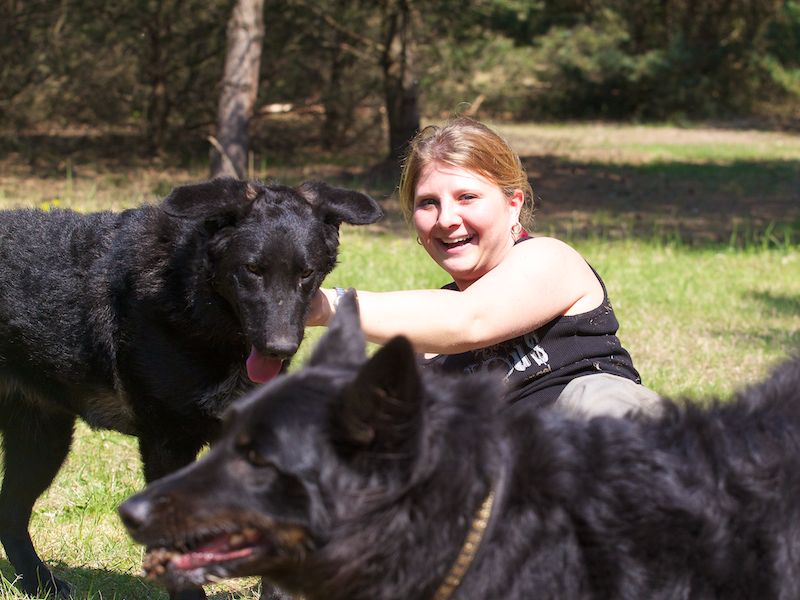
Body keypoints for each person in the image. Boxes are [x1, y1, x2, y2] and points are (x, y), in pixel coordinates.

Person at [306, 117, 660, 418]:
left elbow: (468, 319)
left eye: (467, 197)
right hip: (521, 464)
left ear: (513, 204)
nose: (446, 219)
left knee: (594, 398)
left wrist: (324, 305)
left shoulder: (551, 259)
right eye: (428, 203)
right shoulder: (425, 339)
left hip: (609, 442)